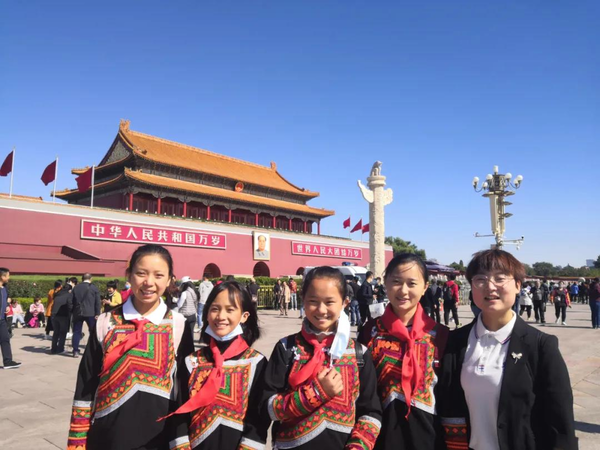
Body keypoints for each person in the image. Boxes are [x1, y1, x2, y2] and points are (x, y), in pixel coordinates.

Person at [436, 249, 578, 450]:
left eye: (500, 279)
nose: (490, 286)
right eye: (480, 280)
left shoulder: (540, 345)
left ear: (518, 285)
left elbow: (560, 422)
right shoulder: (455, 341)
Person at [67, 244, 195, 450]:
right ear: (129, 275)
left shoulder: (178, 325)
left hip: (159, 439)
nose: (149, 283)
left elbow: (184, 390)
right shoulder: (106, 322)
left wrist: (181, 441)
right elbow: (86, 383)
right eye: (141, 274)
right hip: (107, 438)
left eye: (159, 275)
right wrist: (77, 441)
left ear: (170, 280)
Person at [262, 266, 382, 449]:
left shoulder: (359, 354)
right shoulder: (286, 348)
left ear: (345, 303)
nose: (321, 309)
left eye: (329, 302)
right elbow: (267, 406)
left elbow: (371, 412)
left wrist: (358, 446)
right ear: (302, 300)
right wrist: (314, 394)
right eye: (313, 301)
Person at [358, 254, 449, 450]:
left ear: (425, 287)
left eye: (412, 283)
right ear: (386, 284)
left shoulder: (441, 336)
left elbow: (450, 397)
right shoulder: (369, 333)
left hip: (430, 439)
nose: (404, 291)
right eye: (397, 282)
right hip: (381, 437)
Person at [168, 281, 269, 449]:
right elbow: (179, 413)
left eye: (230, 310)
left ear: (244, 316)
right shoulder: (191, 362)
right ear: (206, 314)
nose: (221, 316)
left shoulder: (256, 362)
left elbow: (258, 418)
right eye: (215, 309)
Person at [69, 273, 101, 358]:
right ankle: (92, 350)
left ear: (82, 279)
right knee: (93, 332)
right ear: (91, 278)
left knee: (76, 332)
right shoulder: (94, 288)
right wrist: (97, 313)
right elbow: (97, 302)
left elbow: (70, 301)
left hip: (78, 313)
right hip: (91, 313)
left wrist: (73, 310)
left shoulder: (76, 288)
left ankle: (75, 351)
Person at [0, 268, 20, 369]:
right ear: (2, 277)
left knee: (5, 339)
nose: (9, 277)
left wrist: (7, 305)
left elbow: (6, 299)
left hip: (2, 319)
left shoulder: (4, 288)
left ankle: (8, 361)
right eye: (7, 275)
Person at [51, 279, 75, 354]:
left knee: (56, 332)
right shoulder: (68, 295)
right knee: (63, 333)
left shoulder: (57, 294)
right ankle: (60, 349)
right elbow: (70, 305)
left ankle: (53, 349)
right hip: (63, 316)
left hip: (54, 315)